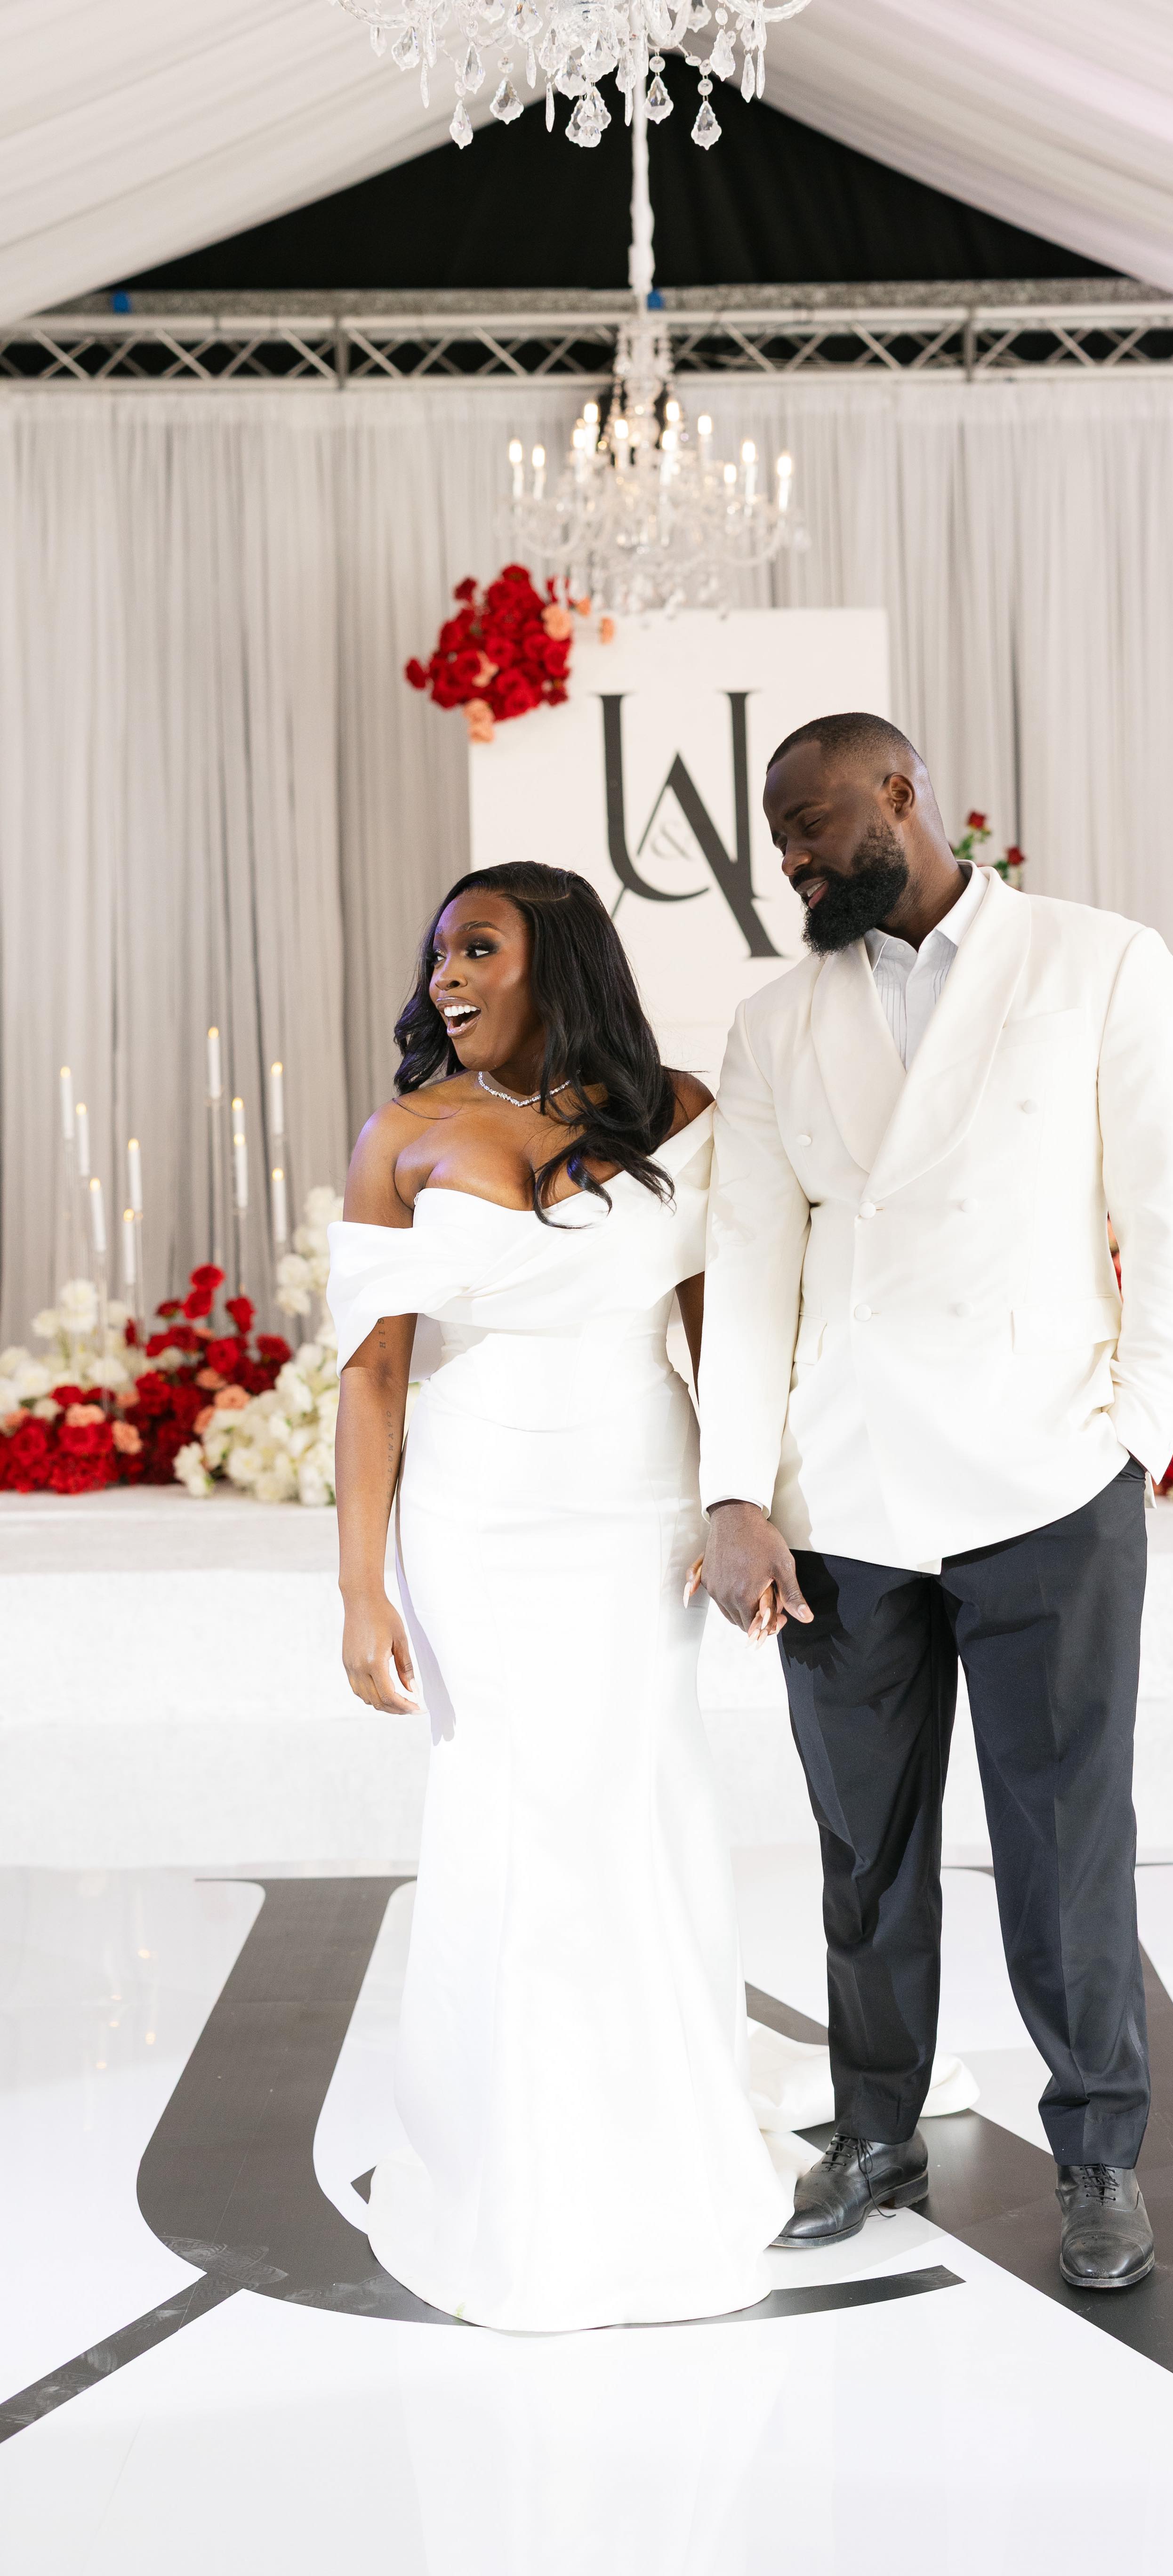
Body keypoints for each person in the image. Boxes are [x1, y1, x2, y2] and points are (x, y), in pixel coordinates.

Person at [698, 714, 1173, 2290]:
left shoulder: (1099, 963)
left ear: (901, 796)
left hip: (1045, 1480)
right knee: (861, 1845)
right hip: (843, 1493)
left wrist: (1133, 1431)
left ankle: (1097, 2158)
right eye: (778, 838)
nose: (789, 858)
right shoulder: (777, 1019)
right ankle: (876, 2133)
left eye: (808, 826)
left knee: (1066, 1836)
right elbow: (749, 1260)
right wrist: (737, 1487)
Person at [328, 861, 788, 2332]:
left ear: (559, 961)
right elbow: (375, 1371)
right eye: (437, 954)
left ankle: (658, 2147)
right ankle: (501, 2171)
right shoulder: (403, 1134)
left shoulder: (681, 1112)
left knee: (629, 1800)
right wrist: (358, 1589)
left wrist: (743, 1508)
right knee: (509, 1810)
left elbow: (728, 1338)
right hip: (471, 1521)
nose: (445, 974)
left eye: (480, 946)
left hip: (633, 1513)